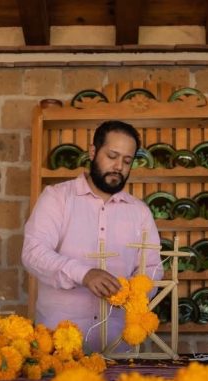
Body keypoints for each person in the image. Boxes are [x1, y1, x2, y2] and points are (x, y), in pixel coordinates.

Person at [22, 120, 162, 352]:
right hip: (58, 348)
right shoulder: (57, 198)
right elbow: (33, 253)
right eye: (112, 156)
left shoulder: (140, 212)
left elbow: (153, 268)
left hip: (119, 347)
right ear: (93, 151)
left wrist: (134, 292)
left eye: (127, 161)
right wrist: (84, 274)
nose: (119, 166)